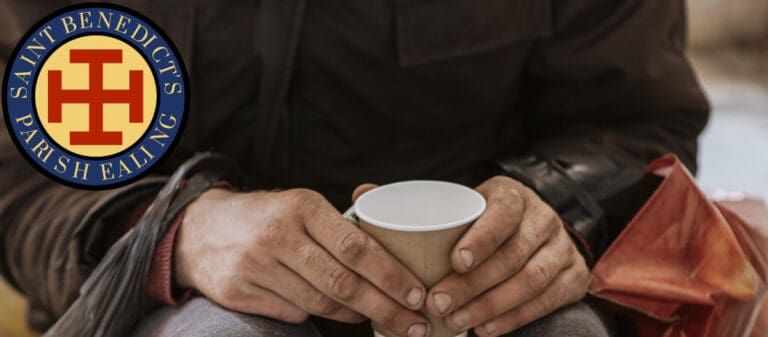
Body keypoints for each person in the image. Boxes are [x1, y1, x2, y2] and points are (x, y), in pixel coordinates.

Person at [0, 1, 709, 337]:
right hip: (176, 294)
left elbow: (641, 127)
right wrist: (178, 230)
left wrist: (559, 210)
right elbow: (22, 166)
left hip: (483, 303)